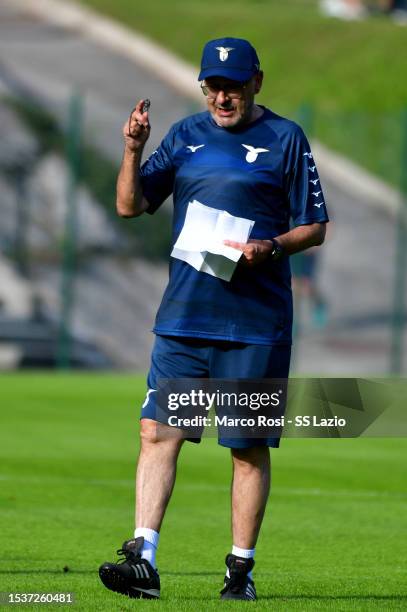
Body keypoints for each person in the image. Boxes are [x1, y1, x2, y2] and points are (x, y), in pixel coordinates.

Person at [98, 37, 329, 601]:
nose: (223, 96)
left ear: (257, 83)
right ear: (204, 87)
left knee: (246, 447)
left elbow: (315, 225)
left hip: (255, 323)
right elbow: (131, 206)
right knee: (157, 433)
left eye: (234, 85)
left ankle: (239, 571)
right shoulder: (183, 136)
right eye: (214, 86)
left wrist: (270, 247)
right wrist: (132, 149)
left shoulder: (286, 139)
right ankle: (143, 558)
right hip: (183, 318)